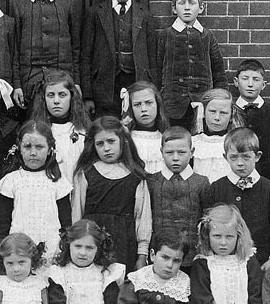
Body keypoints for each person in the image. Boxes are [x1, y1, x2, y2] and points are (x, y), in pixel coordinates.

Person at [72, 116, 151, 273]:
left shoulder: (136, 176)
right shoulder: (85, 174)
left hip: (124, 244)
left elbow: (143, 218)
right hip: (92, 243)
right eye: (100, 144)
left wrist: (142, 255)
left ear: (122, 140)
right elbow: (76, 214)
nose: (106, 148)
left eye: (111, 141)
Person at [81, 0, 157, 119]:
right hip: (105, 85)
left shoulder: (145, 15)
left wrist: (152, 89)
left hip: (136, 81)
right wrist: (87, 95)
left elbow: (152, 57)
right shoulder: (96, 13)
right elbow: (86, 56)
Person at [201, 128, 270, 269]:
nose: (240, 163)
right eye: (234, 157)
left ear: (257, 156)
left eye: (246, 157)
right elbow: (206, 227)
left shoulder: (269, 189)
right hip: (223, 263)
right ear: (225, 157)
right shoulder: (216, 188)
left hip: (261, 263)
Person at [12, 0, 82, 111]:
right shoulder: (19, 6)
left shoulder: (69, 3)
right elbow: (14, 49)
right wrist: (17, 85)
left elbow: (77, 48)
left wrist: (77, 82)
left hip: (63, 82)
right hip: (30, 83)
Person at [0, 120, 73, 261]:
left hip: (52, 252)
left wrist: (64, 252)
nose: (33, 152)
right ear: (19, 148)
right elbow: (3, 224)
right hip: (18, 253)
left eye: (39, 147)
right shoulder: (11, 181)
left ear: (49, 149)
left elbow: (66, 223)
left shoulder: (58, 182)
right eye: (27, 146)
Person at [157, 0, 228, 131]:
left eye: (192, 3)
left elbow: (218, 72)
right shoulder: (166, 35)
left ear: (201, 8)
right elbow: (157, 69)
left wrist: (221, 99)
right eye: (182, 3)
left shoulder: (207, 36)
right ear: (174, 8)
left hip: (202, 103)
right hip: (173, 104)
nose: (187, 7)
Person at [147, 126, 209, 268]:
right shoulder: (152, 181)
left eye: (181, 152)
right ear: (161, 152)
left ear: (192, 152)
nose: (175, 158)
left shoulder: (201, 182)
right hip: (160, 257)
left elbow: (206, 221)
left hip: (191, 257)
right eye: (169, 152)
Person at [30, 69, 91, 188]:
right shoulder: (37, 131)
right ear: (44, 98)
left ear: (71, 97)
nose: (56, 101)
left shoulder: (83, 130)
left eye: (62, 95)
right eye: (51, 95)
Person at [232, 59, 270, 188]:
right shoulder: (229, 111)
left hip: (266, 176)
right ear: (236, 82)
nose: (250, 84)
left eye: (256, 79)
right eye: (245, 78)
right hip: (235, 174)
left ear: (263, 85)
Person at [191, 88, 244, 183]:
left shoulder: (237, 143)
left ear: (231, 116)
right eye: (212, 111)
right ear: (203, 112)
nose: (217, 118)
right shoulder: (193, 142)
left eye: (223, 113)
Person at [122, 81, 171, 174]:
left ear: (157, 104)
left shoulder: (165, 137)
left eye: (148, 103)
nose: (143, 109)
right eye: (137, 104)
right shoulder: (126, 138)